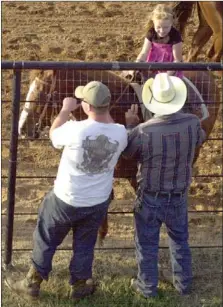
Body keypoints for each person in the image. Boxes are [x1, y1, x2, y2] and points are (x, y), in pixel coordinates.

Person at [5, 81, 128, 301]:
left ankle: (33, 282)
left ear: (87, 107)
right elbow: (112, 126)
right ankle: (80, 284)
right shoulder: (121, 133)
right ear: (108, 106)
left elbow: (53, 134)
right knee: (85, 243)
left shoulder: (74, 129)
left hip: (65, 198)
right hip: (97, 201)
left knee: (46, 236)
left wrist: (64, 110)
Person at [123, 73, 206, 298]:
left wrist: (131, 126)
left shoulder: (144, 130)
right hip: (178, 195)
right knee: (180, 240)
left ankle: (147, 286)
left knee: (146, 243)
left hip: (151, 195)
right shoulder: (192, 123)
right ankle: (183, 283)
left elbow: (129, 153)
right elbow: (201, 138)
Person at [127, 4, 183, 80]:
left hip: (170, 70)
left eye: (166, 27)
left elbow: (177, 60)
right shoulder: (151, 33)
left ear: (171, 23)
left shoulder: (175, 35)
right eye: (158, 27)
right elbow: (144, 52)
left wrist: (166, 77)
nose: (162, 31)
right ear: (153, 23)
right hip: (152, 67)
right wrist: (137, 65)